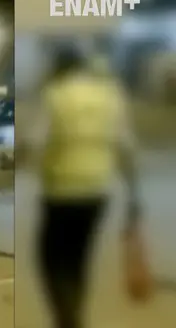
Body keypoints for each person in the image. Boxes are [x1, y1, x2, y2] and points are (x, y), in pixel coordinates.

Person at [29, 47, 142, 328]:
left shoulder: (54, 95)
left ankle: (68, 317)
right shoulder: (110, 96)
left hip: (60, 192)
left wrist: (23, 162)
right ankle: (72, 314)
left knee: (51, 260)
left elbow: (34, 142)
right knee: (78, 258)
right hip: (96, 191)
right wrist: (134, 193)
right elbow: (126, 147)